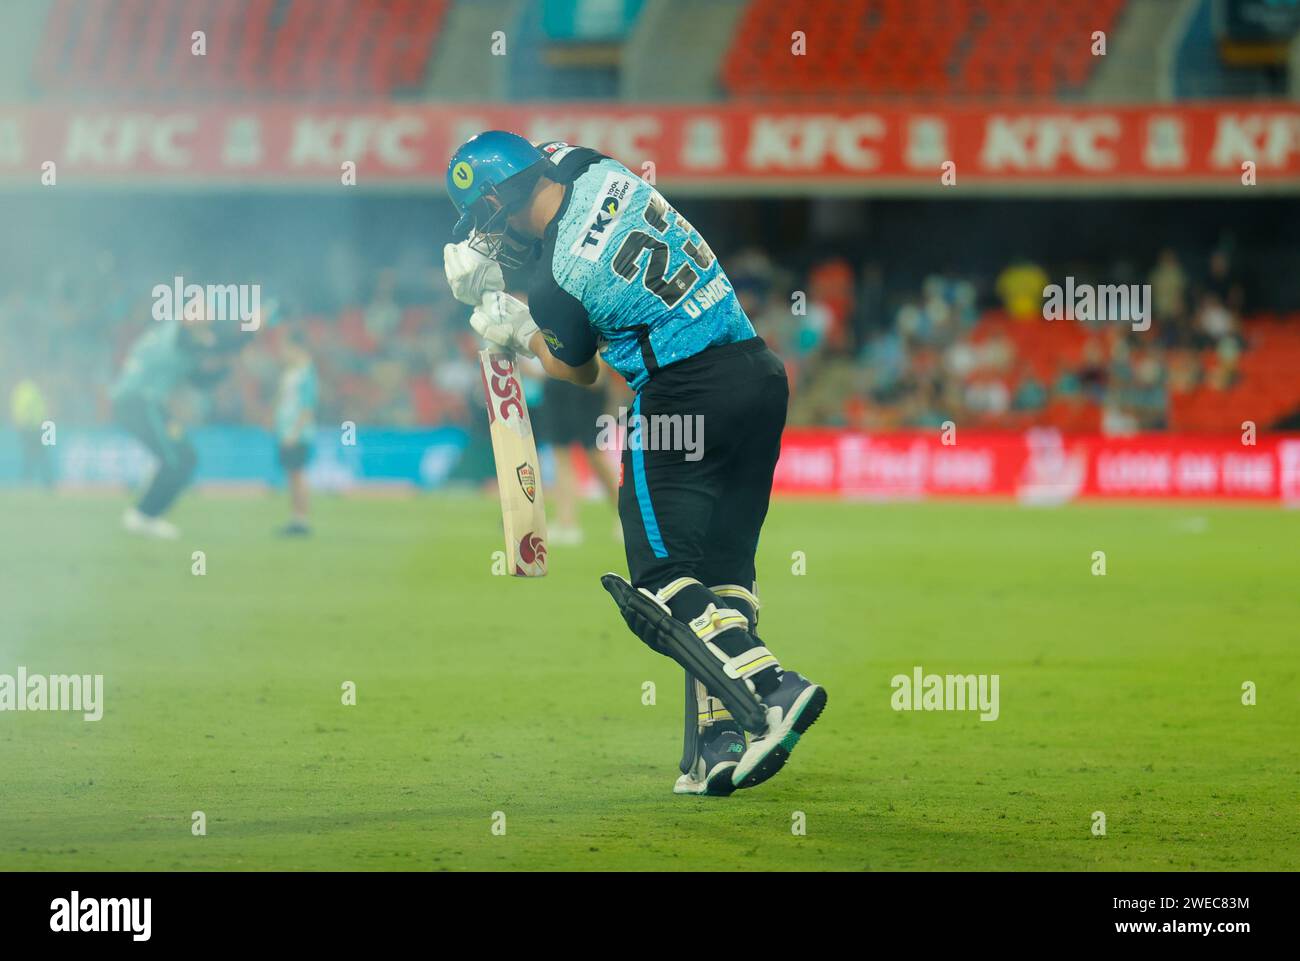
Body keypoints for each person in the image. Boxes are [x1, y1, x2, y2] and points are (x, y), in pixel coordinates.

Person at [441, 131, 827, 796]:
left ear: (502, 199)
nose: (486, 234)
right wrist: (517, 281)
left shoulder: (556, 280)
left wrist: (516, 326)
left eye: (484, 217)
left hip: (684, 396)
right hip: (759, 377)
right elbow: (552, 165)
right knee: (722, 571)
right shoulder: (589, 164)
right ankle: (720, 740)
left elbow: (582, 370)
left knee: (659, 576)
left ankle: (771, 687)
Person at [110, 311, 247, 539]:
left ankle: (145, 514)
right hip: (140, 401)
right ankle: (143, 515)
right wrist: (246, 334)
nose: (206, 319)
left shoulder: (178, 340)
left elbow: (198, 380)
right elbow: (211, 347)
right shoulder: (179, 336)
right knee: (177, 458)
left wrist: (225, 367)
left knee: (185, 457)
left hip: (144, 403)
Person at [274, 328, 318, 536]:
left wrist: (295, 432)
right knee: (292, 475)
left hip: (297, 433)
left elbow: (307, 408)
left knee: (298, 475)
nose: (283, 352)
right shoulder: (291, 372)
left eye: (286, 347)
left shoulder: (306, 373)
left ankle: (302, 519)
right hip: (286, 431)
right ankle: (295, 517)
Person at [10, 377, 54, 488]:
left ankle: (28, 479)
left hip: (29, 428)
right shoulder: (31, 391)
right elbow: (33, 410)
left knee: (31, 455)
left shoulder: (21, 391)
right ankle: (43, 480)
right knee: (39, 455)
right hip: (33, 428)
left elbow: (21, 410)